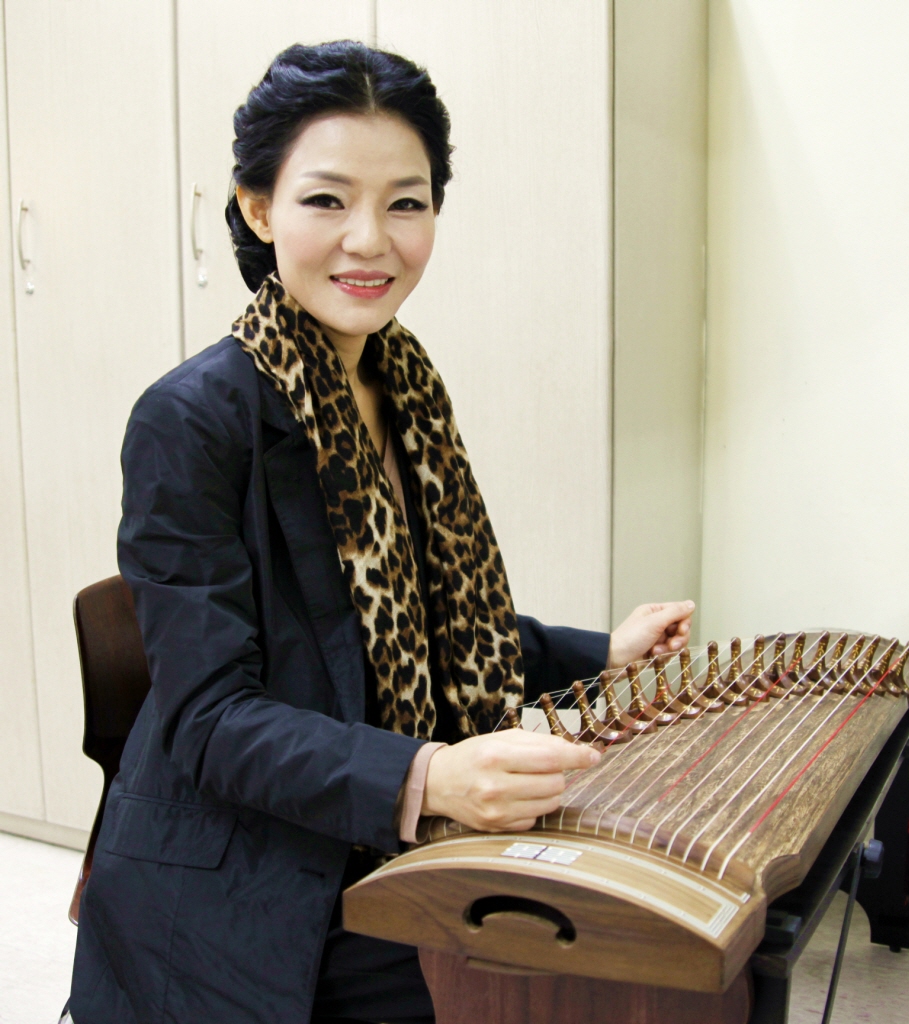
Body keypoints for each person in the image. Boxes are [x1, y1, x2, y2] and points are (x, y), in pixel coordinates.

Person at [67, 40, 693, 1024]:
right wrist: (428, 772)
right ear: (257, 207)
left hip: (370, 833)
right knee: (546, 981)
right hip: (250, 882)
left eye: (406, 201)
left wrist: (597, 652)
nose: (371, 239)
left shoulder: (398, 382)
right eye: (326, 200)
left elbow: (421, 626)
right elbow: (206, 719)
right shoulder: (194, 419)